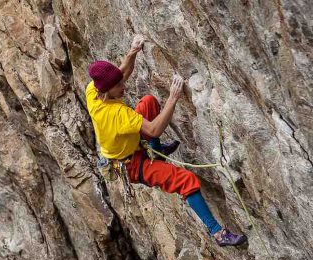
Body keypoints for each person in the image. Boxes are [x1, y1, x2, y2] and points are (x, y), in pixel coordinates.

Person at [86, 35, 247, 247]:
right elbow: (153, 128)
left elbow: (121, 72)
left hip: (127, 144)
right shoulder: (116, 113)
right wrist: (173, 97)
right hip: (132, 165)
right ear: (107, 91)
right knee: (185, 180)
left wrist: (133, 51)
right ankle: (218, 233)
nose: (123, 85)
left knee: (149, 102)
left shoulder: (93, 91)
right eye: (119, 86)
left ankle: (157, 150)